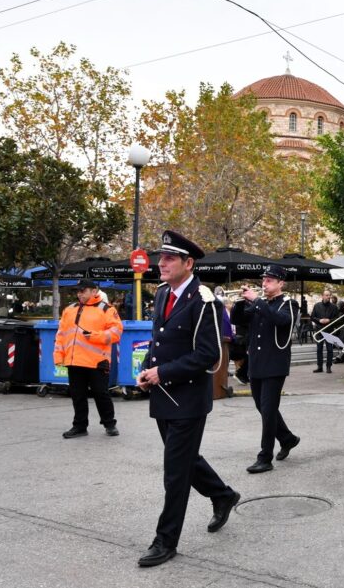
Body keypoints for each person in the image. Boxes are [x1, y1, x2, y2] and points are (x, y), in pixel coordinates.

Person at [135, 231, 239, 568]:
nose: (161, 263)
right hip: (163, 395)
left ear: (188, 263)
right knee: (185, 459)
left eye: (169, 258)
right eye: (160, 257)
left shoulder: (204, 300)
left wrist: (162, 372)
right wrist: (146, 370)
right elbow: (159, 340)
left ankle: (165, 541)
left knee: (175, 472)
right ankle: (222, 494)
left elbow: (208, 355)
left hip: (188, 400)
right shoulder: (163, 293)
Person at [232, 265, 301, 474]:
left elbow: (281, 321)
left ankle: (265, 458)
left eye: (269, 280)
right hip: (256, 363)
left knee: (268, 410)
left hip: (275, 364)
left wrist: (257, 301)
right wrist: (241, 301)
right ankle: (287, 438)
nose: (264, 283)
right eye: (264, 280)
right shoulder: (259, 304)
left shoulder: (289, 304)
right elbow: (237, 319)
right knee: (262, 407)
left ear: (281, 283)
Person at [54, 278, 123, 439]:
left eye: (83, 290)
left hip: (97, 361)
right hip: (74, 361)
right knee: (77, 395)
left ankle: (109, 424)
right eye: (78, 291)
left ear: (94, 291)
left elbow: (116, 332)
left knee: (101, 394)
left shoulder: (107, 309)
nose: (79, 294)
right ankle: (79, 426)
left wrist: (94, 336)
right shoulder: (69, 309)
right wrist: (58, 355)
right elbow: (61, 335)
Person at [311, 289, 338, 373]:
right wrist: (319, 320)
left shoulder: (334, 307)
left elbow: (337, 319)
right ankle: (319, 367)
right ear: (322, 296)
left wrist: (329, 320)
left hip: (329, 331)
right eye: (326, 295)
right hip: (319, 330)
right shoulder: (317, 306)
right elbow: (312, 317)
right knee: (319, 349)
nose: (328, 297)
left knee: (330, 349)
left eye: (329, 295)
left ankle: (329, 367)